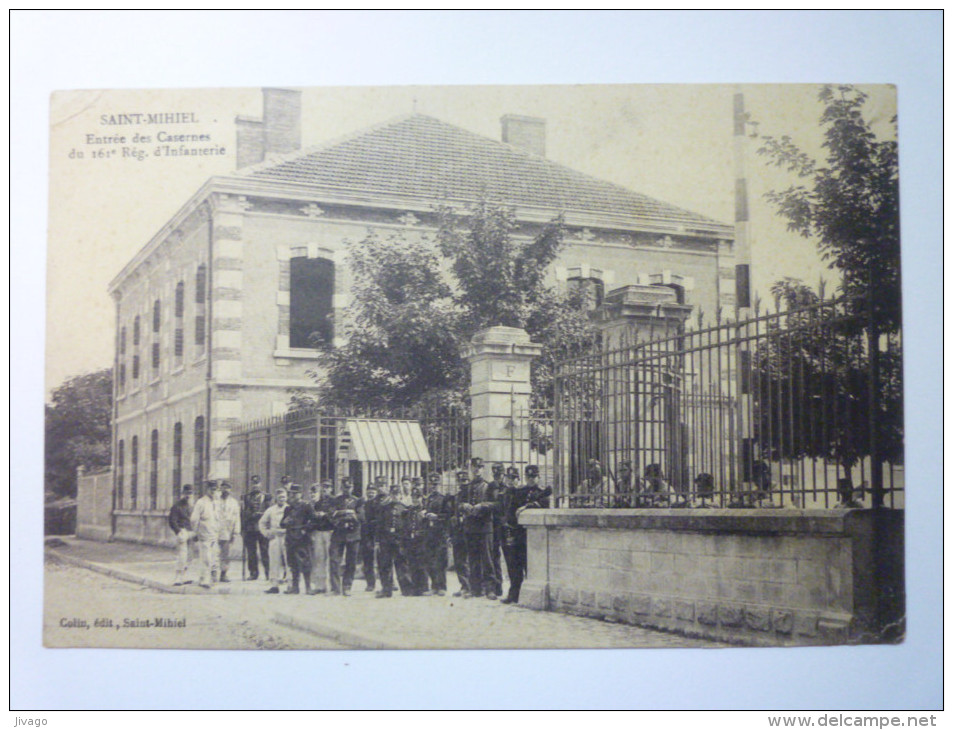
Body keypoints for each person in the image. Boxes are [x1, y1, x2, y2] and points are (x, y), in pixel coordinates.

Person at [500, 465, 552, 604]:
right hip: (518, 533)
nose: (530, 479)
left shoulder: (543, 491)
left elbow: (545, 503)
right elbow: (511, 510)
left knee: (530, 565)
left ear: (538, 477)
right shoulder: (519, 491)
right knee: (514, 566)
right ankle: (514, 594)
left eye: (533, 476)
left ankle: (529, 596)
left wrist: (527, 506)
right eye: (528, 477)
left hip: (533, 536)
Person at [461, 457, 500, 600]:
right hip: (470, 527)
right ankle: (475, 589)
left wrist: (482, 505)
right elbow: (459, 503)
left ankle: (490, 589)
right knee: (473, 559)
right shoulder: (467, 487)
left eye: (479, 467)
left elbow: (496, 504)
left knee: (487, 559)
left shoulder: (489, 486)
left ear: (483, 469)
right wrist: (463, 506)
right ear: (471, 468)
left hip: (484, 527)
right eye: (474, 467)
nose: (476, 470)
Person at [279, 484, 318, 594]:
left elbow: (314, 521)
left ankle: (308, 587)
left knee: (305, 563)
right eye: (291, 493)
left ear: (300, 494)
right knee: (292, 563)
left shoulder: (307, 506)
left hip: (302, 538)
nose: (293, 495)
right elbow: (281, 523)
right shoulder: (288, 508)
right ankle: (295, 587)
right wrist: (285, 522)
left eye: (295, 493)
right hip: (290, 537)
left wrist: (305, 530)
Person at [329, 478, 362, 596]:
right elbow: (331, 516)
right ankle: (336, 588)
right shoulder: (335, 500)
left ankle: (347, 586)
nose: (347, 490)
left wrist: (344, 514)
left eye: (349, 487)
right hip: (338, 533)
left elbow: (360, 517)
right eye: (345, 487)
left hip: (353, 534)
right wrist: (347, 514)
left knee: (351, 562)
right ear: (341, 488)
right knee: (334, 560)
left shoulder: (358, 501)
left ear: (352, 488)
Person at [396, 486, 429, 596]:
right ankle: (414, 588)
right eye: (413, 497)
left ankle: (424, 588)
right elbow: (404, 527)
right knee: (412, 564)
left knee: (422, 565)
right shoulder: (408, 511)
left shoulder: (426, 511)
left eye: (418, 497)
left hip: (422, 541)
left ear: (422, 498)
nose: (415, 499)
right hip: (410, 541)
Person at [422, 471, 450, 596]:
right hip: (429, 533)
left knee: (441, 560)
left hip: (440, 533)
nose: (434, 487)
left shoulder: (444, 499)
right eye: (432, 484)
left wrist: (437, 516)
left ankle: (442, 587)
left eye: (436, 484)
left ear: (440, 485)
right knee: (430, 559)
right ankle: (434, 586)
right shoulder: (427, 499)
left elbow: (448, 515)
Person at [190, 480, 222, 588]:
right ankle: (204, 579)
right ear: (207, 490)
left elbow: (218, 518)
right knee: (206, 558)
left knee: (214, 557)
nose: (214, 492)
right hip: (204, 534)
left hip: (215, 534)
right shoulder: (201, 502)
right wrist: (195, 532)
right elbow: (194, 519)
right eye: (212, 489)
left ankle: (211, 578)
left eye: (216, 490)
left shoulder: (217, 502)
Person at [374, 485, 403, 598]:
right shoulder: (384, 508)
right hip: (385, 540)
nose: (395, 496)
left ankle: (406, 588)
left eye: (397, 494)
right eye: (393, 494)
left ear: (400, 496)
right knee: (385, 565)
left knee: (401, 565)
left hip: (399, 540)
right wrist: (377, 541)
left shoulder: (404, 508)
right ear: (390, 495)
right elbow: (379, 525)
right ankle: (386, 589)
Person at [258, 487, 288, 594]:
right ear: (276, 498)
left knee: (289, 561)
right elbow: (262, 523)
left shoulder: (290, 509)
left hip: (287, 537)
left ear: (287, 497)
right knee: (274, 561)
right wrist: (266, 533)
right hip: (275, 537)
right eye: (280, 497)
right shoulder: (271, 510)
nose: (282, 499)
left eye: (284, 497)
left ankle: (291, 585)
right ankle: (274, 585)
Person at [240, 475, 270, 581]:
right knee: (251, 552)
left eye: (257, 483)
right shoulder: (246, 497)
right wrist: (242, 528)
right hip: (250, 528)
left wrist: (260, 515)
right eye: (253, 484)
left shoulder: (266, 496)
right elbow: (243, 513)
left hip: (262, 528)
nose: (255, 486)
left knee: (265, 551)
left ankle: (268, 572)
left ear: (261, 484)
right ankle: (253, 572)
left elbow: (269, 511)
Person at [360, 477, 386, 592]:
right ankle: (370, 583)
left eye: (373, 491)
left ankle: (387, 582)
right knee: (368, 560)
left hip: (379, 534)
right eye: (369, 491)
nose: (371, 493)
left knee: (383, 560)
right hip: (367, 535)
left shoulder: (381, 504)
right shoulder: (363, 504)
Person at [309, 482, 335, 594]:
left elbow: (335, 515)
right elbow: (313, 517)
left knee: (331, 559)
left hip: (330, 531)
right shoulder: (317, 503)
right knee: (319, 559)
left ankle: (332, 586)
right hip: (319, 532)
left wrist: (325, 515)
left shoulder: (335, 501)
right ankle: (320, 586)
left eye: (328, 487)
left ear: (331, 489)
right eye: (323, 487)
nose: (325, 490)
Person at [449, 469, 471, 597]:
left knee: (470, 560)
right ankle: (464, 585)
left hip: (470, 531)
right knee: (459, 560)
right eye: (460, 481)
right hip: (458, 531)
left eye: (465, 480)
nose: (463, 483)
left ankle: (473, 587)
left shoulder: (472, 495)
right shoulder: (456, 497)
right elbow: (453, 514)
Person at [168, 484, 194, 586]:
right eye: (186, 493)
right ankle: (178, 577)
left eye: (190, 493)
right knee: (182, 556)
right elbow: (172, 521)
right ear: (183, 494)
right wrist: (178, 531)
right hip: (183, 532)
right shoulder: (177, 506)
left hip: (192, 533)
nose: (188, 495)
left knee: (190, 556)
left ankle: (184, 576)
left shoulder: (194, 506)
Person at [216, 481, 241, 582]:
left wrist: (235, 532)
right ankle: (212, 574)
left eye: (228, 488)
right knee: (213, 554)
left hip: (227, 532)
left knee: (225, 555)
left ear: (230, 490)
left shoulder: (234, 502)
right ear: (220, 489)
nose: (226, 490)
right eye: (224, 488)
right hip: (215, 530)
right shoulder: (215, 500)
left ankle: (223, 574)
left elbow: (236, 517)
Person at [488, 463, 506, 597]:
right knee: (494, 555)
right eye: (495, 475)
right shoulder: (490, 487)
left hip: (505, 526)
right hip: (493, 525)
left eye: (499, 475)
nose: (497, 478)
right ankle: (496, 586)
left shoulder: (507, 488)